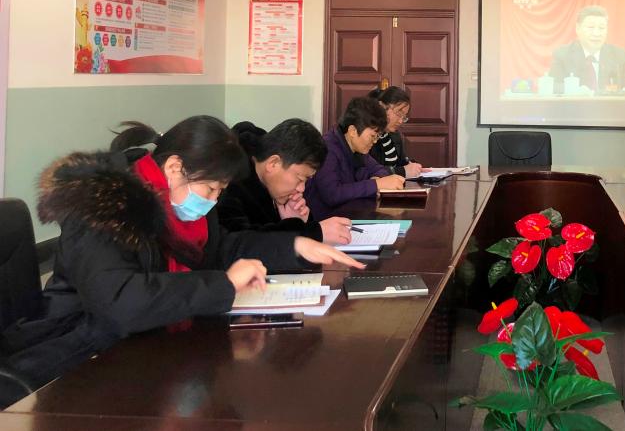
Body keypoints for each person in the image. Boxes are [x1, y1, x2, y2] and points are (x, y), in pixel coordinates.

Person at [0, 116, 365, 398]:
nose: (214, 200)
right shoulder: (100, 208)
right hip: (80, 357)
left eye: (221, 191)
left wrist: (295, 245)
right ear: (175, 168)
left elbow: (222, 248)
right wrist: (222, 285)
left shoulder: (179, 202)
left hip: (149, 345)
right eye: (211, 189)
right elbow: (121, 301)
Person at [219, 119, 353, 246]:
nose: (301, 189)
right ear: (273, 163)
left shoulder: (274, 182)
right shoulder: (226, 185)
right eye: (300, 179)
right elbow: (241, 245)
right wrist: (312, 233)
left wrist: (296, 222)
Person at [305, 97, 406, 221]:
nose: (375, 141)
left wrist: (377, 179)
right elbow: (332, 194)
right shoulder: (327, 149)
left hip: (349, 216)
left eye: (377, 137)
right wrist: (376, 185)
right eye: (372, 136)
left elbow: (379, 169)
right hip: (324, 222)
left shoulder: (358, 148)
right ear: (353, 131)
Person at [548, 5, 625, 95]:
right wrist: (576, 90)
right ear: (578, 28)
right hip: (576, 105)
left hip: (609, 105)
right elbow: (552, 87)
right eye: (591, 27)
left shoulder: (619, 55)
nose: (596, 33)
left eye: (601, 28)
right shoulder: (563, 54)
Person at [367, 85, 423, 178]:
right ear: (382, 107)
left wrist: (413, 166)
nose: (400, 121)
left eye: (404, 117)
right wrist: (403, 171)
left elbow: (402, 163)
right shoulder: (367, 136)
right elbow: (369, 172)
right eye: (399, 114)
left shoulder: (395, 135)